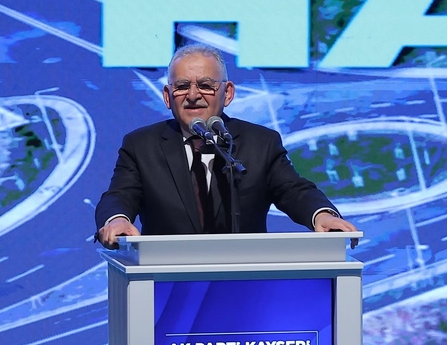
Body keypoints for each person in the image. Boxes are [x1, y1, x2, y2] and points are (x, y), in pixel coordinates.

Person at [95, 43, 358, 248]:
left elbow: (294, 190)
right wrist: (117, 220)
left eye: (206, 85)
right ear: (167, 96)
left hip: (243, 285)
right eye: (182, 86)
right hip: (166, 284)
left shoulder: (260, 143)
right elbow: (120, 195)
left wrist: (321, 215)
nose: (193, 95)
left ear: (228, 93)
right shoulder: (142, 146)